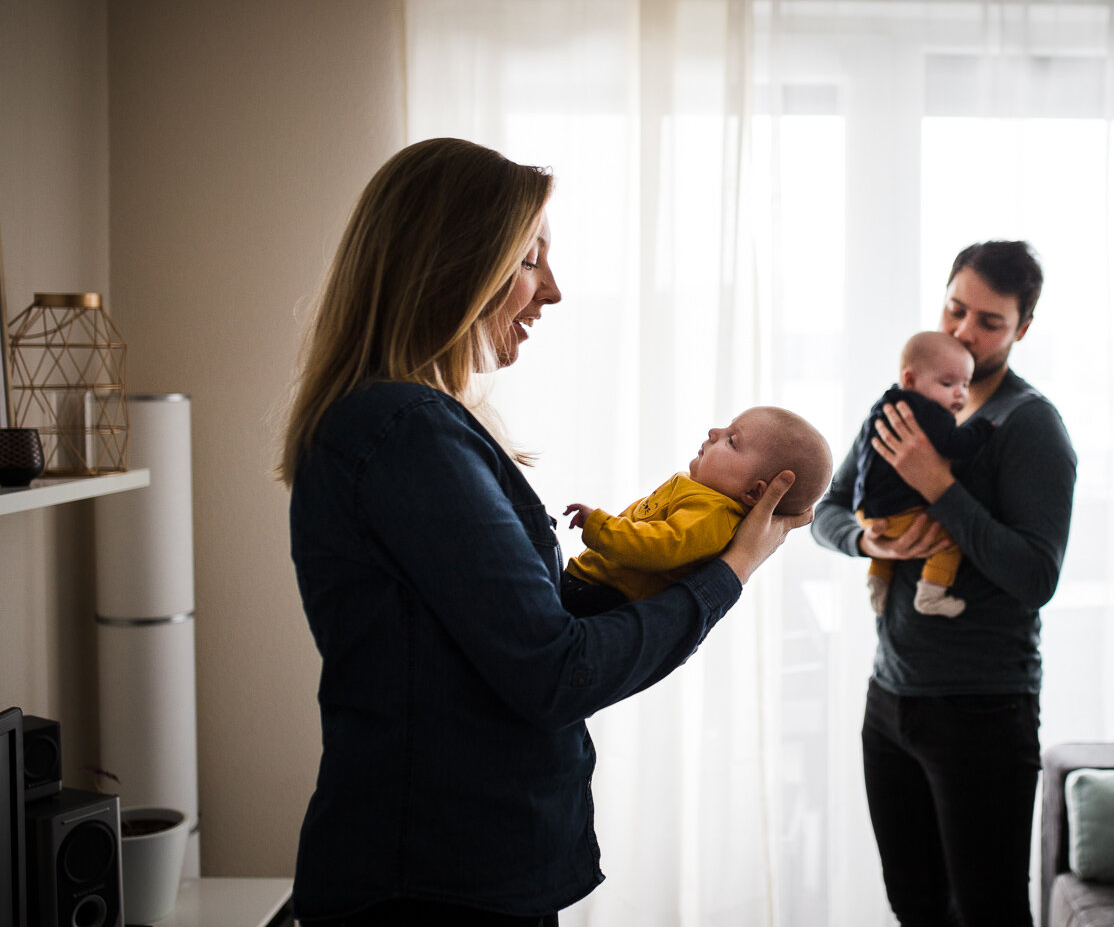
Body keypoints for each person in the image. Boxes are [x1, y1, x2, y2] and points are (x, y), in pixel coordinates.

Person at [277, 137, 812, 927]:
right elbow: (557, 673)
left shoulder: (414, 427)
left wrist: (672, 564)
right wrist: (725, 575)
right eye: (530, 260)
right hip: (435, 884)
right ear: (450, 263)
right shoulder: (406, 432)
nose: (552, 292)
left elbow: (536, 632)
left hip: (453, 869)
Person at [813, 240, 1077, 927]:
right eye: (955, 309)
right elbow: (829, 510)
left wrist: (940, 485)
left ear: (1022, 329)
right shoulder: (904, 398)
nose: (963, 331)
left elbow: (1036, 575)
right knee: (916, 909)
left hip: (983, 710)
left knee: (987, 913)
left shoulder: (1029, 425)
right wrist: (869, 539)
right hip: (890, 701)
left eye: (989, 321)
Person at [560, 405, 832, 616]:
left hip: (600, 598)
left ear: (754, 492)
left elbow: (659, 546)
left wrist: (598, 524)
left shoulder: (714, 517)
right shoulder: (700, 494)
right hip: (590, 582)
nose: (714, 433)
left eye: (732, 441)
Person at [853, 331, 993, 619]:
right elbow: (956, 444)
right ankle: (931, 594)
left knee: (889, 543)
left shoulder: (882, 406)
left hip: (865, 511)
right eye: (947, 383)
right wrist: (983, 428)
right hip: (899, 511)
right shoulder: (930, 412)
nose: (960, 393)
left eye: (965, 384)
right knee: (947, 541)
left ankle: (878, 577)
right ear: (910, 380)